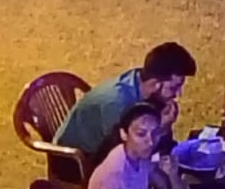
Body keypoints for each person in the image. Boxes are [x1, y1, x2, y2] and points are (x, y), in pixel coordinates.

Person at [55, 42, 198, 158]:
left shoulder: (147, 88)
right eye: (174, 87)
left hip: (107, 150)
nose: (178, 94)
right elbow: (125, 155)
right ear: (156, 83)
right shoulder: (117, 103)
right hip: (76, 160)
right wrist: (160, 129)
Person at [82, 101, 190, 189]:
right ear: (124, 134)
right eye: (141, 134)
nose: (150, 142)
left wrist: (172, 175)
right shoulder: (114, 174)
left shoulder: (141, 158)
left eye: (155, 133)